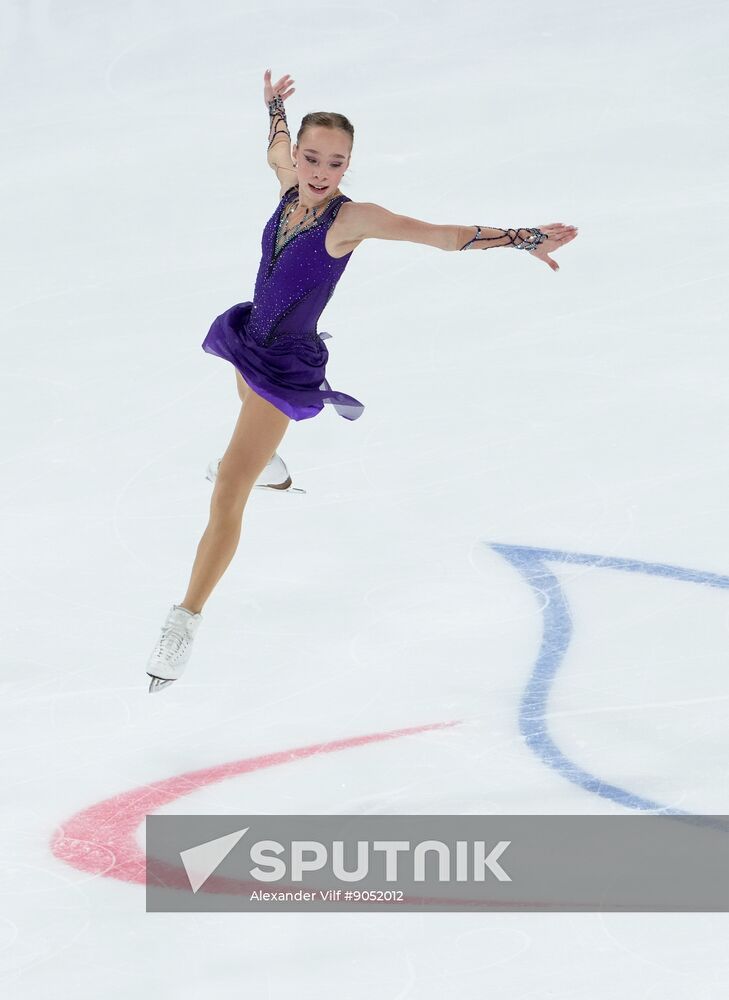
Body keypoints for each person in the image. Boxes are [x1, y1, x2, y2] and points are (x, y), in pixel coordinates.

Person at [145, 69, 579, 693]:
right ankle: (271, 464)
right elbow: (273, 148)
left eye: (337, 163)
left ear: (350, 166)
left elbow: (441, 236)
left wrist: (524, 238)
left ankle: (184, 621)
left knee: (227, 489)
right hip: (251, 338)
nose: (321, 171)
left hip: (286, 362)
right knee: (247, 424)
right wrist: (274, 108)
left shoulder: (353, 219)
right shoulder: (288, 183)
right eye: (312, 157)